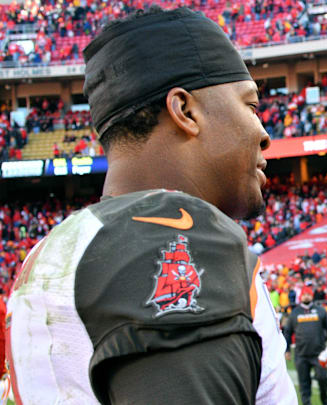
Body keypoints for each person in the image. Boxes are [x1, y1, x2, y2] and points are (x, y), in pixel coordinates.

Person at [6, 7, 296, 404]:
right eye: (250, 106)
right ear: (185, 111)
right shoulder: (173, 237)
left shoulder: (61, 248)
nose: (263, 134)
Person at [284, 286, 327, 405]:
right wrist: (286, 349)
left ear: (311, 296)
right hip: (301, 355)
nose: (306, 296)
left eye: (308, 294)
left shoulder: (320, 310)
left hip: (319, 354)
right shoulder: (295, 312)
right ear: (301, 296)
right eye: (304, 294)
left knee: (323, 378)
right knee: (304, 384)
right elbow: (287, 332)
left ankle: (325, 401)